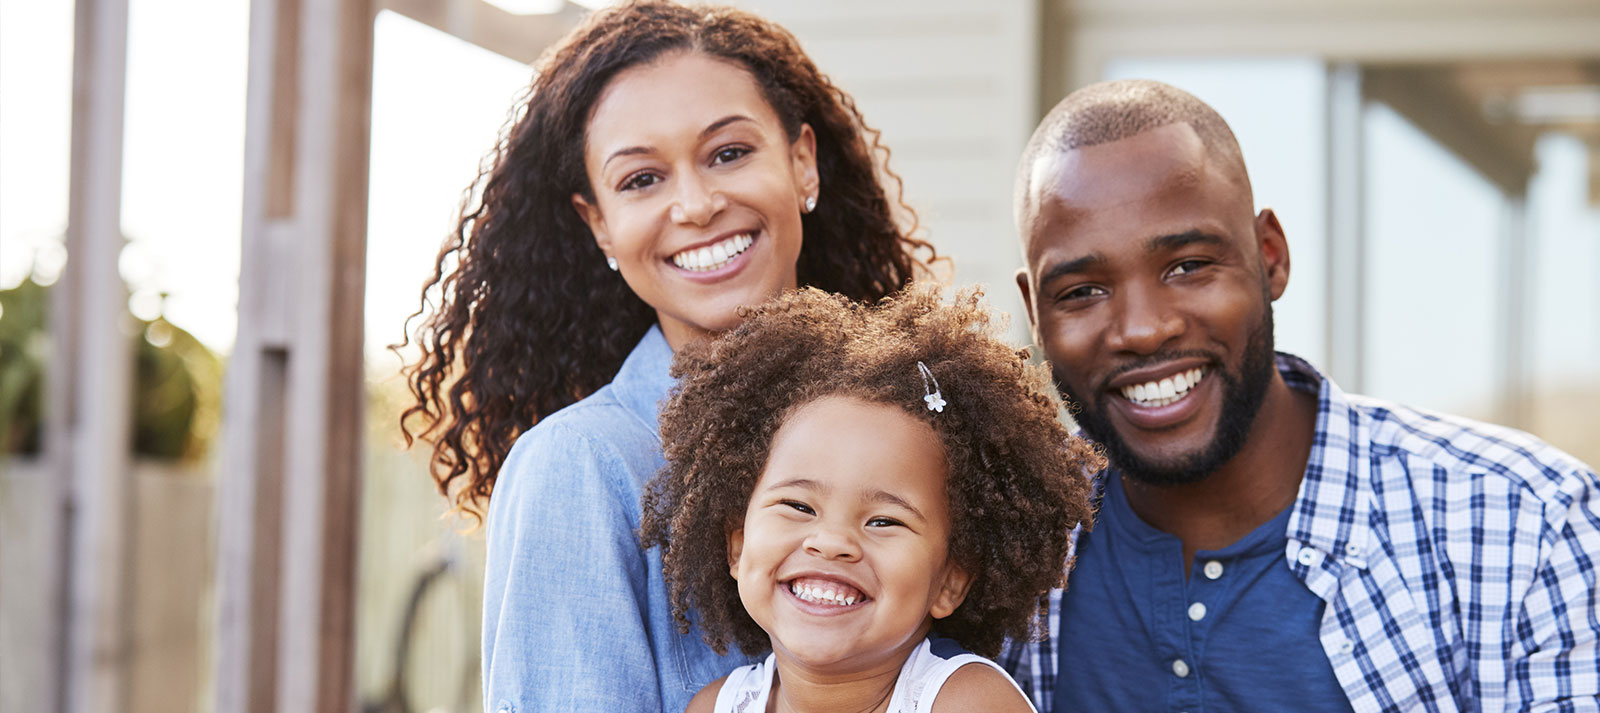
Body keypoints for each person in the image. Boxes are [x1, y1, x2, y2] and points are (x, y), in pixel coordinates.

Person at [397, 2, 939, 710]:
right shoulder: (582, 468)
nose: (696, 204)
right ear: (600, 225)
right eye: (641, 179)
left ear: (802, 162)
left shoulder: (917, 423)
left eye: (729, 153)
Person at [1001, 79, 1600, 713]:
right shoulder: (991, 552)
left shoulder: (1527, 530)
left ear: (1270, 256)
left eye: (1188, 265)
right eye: (1081, 292)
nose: (1144, 328)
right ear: (1035, 314)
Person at [638, 285, 1098, 713]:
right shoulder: (717, 706)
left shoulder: (968, 703)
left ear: (950, 581)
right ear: (737, 546)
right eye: (799, 507)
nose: (831, 541)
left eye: (883, 521)